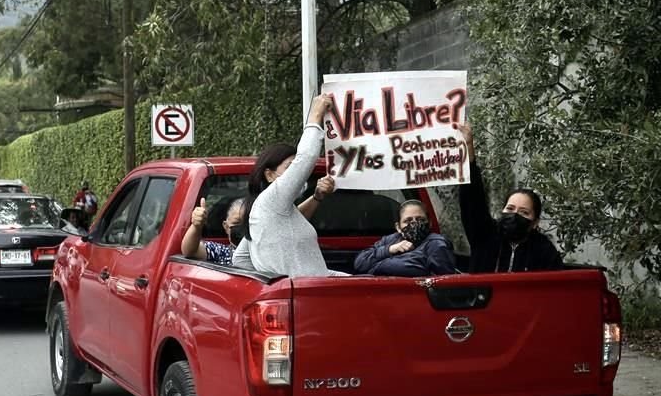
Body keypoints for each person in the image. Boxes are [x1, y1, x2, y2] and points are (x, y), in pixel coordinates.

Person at [233, 94, 347, 277]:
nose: (296, 173)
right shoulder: (271, 200)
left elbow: (240, 259)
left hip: (306, 292)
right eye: (289, 167)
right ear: (269, 175)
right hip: (304, 296)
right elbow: (306, 158)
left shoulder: (268, 209)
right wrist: (315, 116)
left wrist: (271, 282)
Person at [457, 124, 563, 272]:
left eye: (524, 212)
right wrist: (469, 155)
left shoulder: (544, 250)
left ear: (535, 222)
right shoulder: (486, 235)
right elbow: (472, 201)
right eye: (510, 208)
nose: (514, 215)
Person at [353, 200, 457, 276]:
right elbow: (360, 263)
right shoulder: (390, 240)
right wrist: (390, 249)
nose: (414, 224)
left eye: (420, 219)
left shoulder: (435, 244)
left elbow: (445, 281)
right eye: (408, 220)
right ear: (398, 227)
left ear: (429, 223)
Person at [181, 197, 246, 265]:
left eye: (248, 223)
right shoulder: (222, 252)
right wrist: (196, 226)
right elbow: (190, 252)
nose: (243, 228)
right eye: (236, 223)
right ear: (226, 226)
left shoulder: (257, 255)